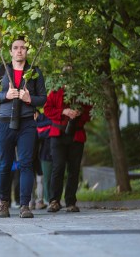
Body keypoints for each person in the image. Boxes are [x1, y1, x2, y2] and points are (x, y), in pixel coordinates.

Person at [0, 37, 47, 218]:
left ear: (27, 51)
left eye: (23, 48)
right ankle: (4, 203)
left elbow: (43, 98)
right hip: (5, 122)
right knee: (5, 164)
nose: (19, 50)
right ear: (10, 52)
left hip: (27, 122)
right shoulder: (0, 71)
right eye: (16, 48)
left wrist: (30, 100)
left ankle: (24, 205)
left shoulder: (34, 73)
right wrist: (6, 95)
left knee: (26, 163)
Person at [44, 83, 92, 213]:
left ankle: (70, 202)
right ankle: (54, 201)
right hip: (58, 136)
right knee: (58, 167)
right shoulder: (54, 92)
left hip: (76, 135)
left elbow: (90, 113)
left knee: (74, 169)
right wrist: (63, 111)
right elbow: (47, 110)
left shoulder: (82, 94)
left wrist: (80, 114)